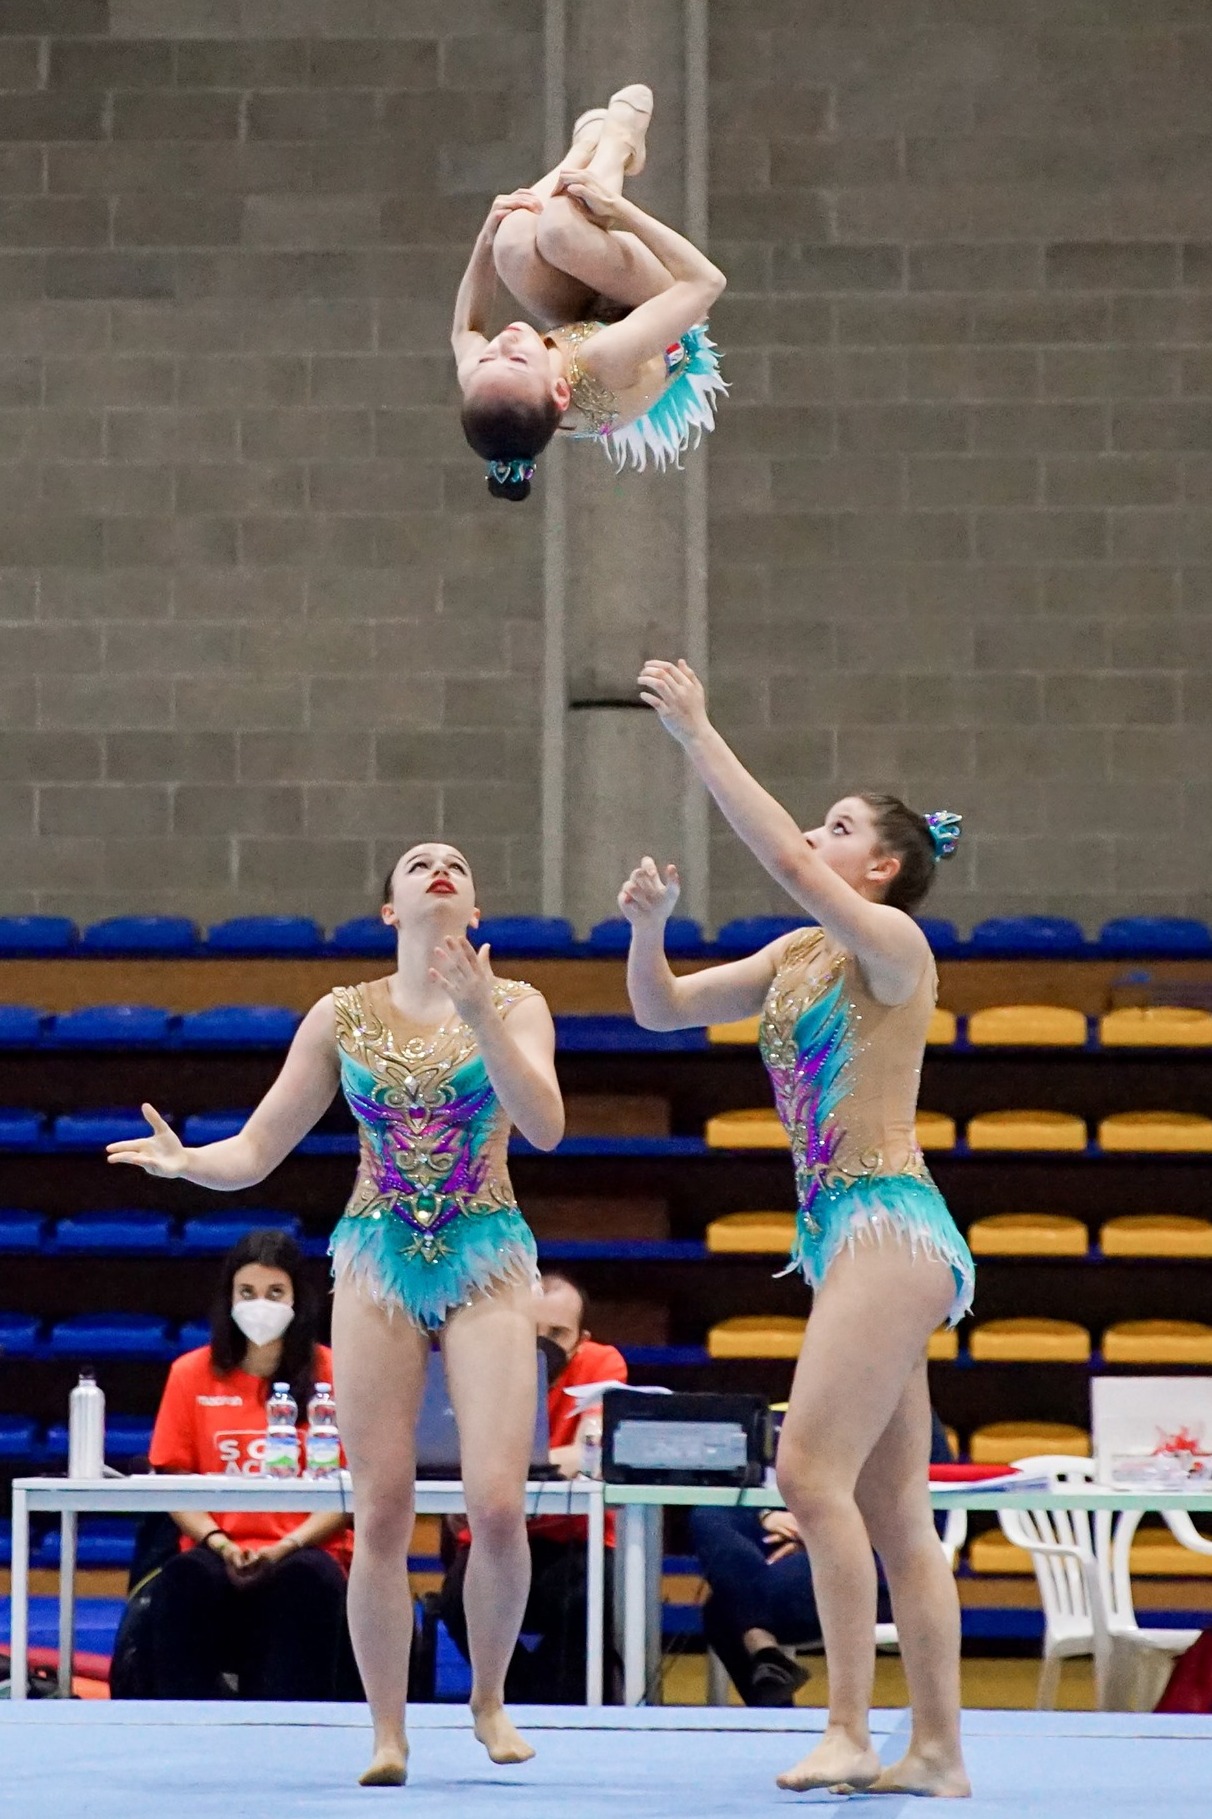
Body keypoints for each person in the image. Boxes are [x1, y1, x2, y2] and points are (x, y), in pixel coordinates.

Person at [107, 842, 565, 1787]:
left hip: (484, 1248)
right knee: (383, 1505)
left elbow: (549, 1124)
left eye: (457, 863)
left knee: (498, 1504)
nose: (438, 866)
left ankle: (486, 1698)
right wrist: (188, 1161)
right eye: (417, 862)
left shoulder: (518, 1002)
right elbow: (261, 1145)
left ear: (474, 906)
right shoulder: (340, 1012)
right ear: (390, 909)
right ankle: (387, 1729)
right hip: (377, 1255)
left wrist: (481, 1013)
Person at [620, 658, 974, 1798]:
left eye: (838, 826)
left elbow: (776, 854)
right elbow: (662, 1009)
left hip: (889, 1216)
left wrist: (698, 731)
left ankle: (849, 1729)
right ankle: (937, 1752)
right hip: (851, 1238)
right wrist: (650, 927)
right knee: (890, 1507)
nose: (813, 838)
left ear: (880, 867)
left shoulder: (893, 950)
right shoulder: (794, 959)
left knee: (804, 1468)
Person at [452, 83, 726, 498]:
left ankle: (579, 154)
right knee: (562, 232)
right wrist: (621, 211)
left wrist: (485, 239)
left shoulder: (494, 381)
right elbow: (706, 282)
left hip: (585, 319)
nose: (503, 340)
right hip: (665, 312)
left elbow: (465, 333)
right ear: (560, 391)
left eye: (489, 355)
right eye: (518, 357)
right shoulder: (603, 363)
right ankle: (618, 146)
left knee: (510, 242)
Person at [144, 1229, 353, 1701]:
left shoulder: (336, 1373)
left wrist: (283, 1548)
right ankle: (180, 1728)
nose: (262, 1304)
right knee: (183, 1581)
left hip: (305, 1550)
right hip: (218, 1548)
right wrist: (219, 1544)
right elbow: (176, 1482)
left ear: (298, 1299)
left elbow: (353, 1488)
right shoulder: (189, 1374)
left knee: (306, 1583)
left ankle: (293, 1730)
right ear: (229, 1298)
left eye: (275, 1292)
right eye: (248, 1293)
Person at [439, 1271, 626, 1702]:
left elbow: (587, 1454)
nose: (542, 1344)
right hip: (494, 1534)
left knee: (582, 1602)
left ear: (582, 1339)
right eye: (531, 1330)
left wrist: (499, 1466)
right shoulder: (482, 1365)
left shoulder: (601, 1363)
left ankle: (553, 1701)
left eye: (558, 1334)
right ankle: (523, 1696)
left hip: (575, 1539)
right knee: (456, 1602)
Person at [691, 1410, 955, 1708]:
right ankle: (766, 1656)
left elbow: (923, 1517)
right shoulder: (813, 1402)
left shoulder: (909, 1418)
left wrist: (822, 1533)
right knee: (708, 1516)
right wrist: (768, 1516)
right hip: (797, 1540)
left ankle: (764, 1662)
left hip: (872, 1563)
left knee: (723, 1607)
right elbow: (777, 1481)